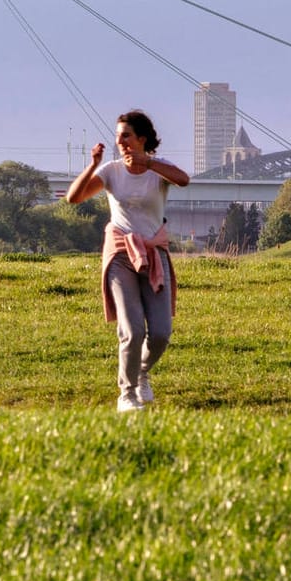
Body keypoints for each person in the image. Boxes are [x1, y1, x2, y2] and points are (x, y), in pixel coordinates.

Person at [65, 110, 190, 413]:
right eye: (118, 136)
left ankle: (142, 372)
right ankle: (127, 393)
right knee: (132, 330)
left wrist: (148, 163)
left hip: (153, 253)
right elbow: (73, 197)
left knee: (160, 333)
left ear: (141, 139)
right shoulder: (111, 171)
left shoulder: (159, 169)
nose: (119, 141)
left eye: (126, 135)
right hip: (121, 252)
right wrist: (93, 165)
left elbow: (183, 179)